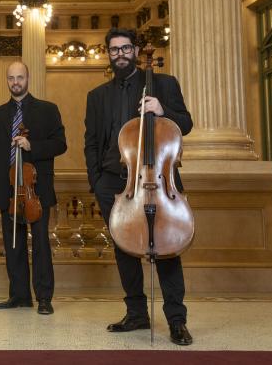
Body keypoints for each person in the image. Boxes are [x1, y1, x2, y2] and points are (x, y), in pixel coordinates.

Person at [83, 28, 194, 345]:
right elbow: (91, 142)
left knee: (168, 247)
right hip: (113, 184)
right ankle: (136, 314)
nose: (120, 54)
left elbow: (184, 124)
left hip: (158, 180)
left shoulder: (163, 84)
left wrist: (163, 110)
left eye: (125, 48)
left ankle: (176, 320)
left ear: (135, 50)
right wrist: (96, 181)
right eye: (114, 50)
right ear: (108, 53)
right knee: (124, 246)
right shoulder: (97, 96)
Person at [0, 61, 67, 315]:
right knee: (13, 244)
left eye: (20, 77)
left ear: (27, 79)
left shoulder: (47, 110)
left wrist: (33, 146)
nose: (15, 82)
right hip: (8, 189)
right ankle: (19, 296)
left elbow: (60, 144)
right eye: (11, 78)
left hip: (36, 190)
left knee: (41, 244)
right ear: (7, 80)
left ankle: (44, 298)